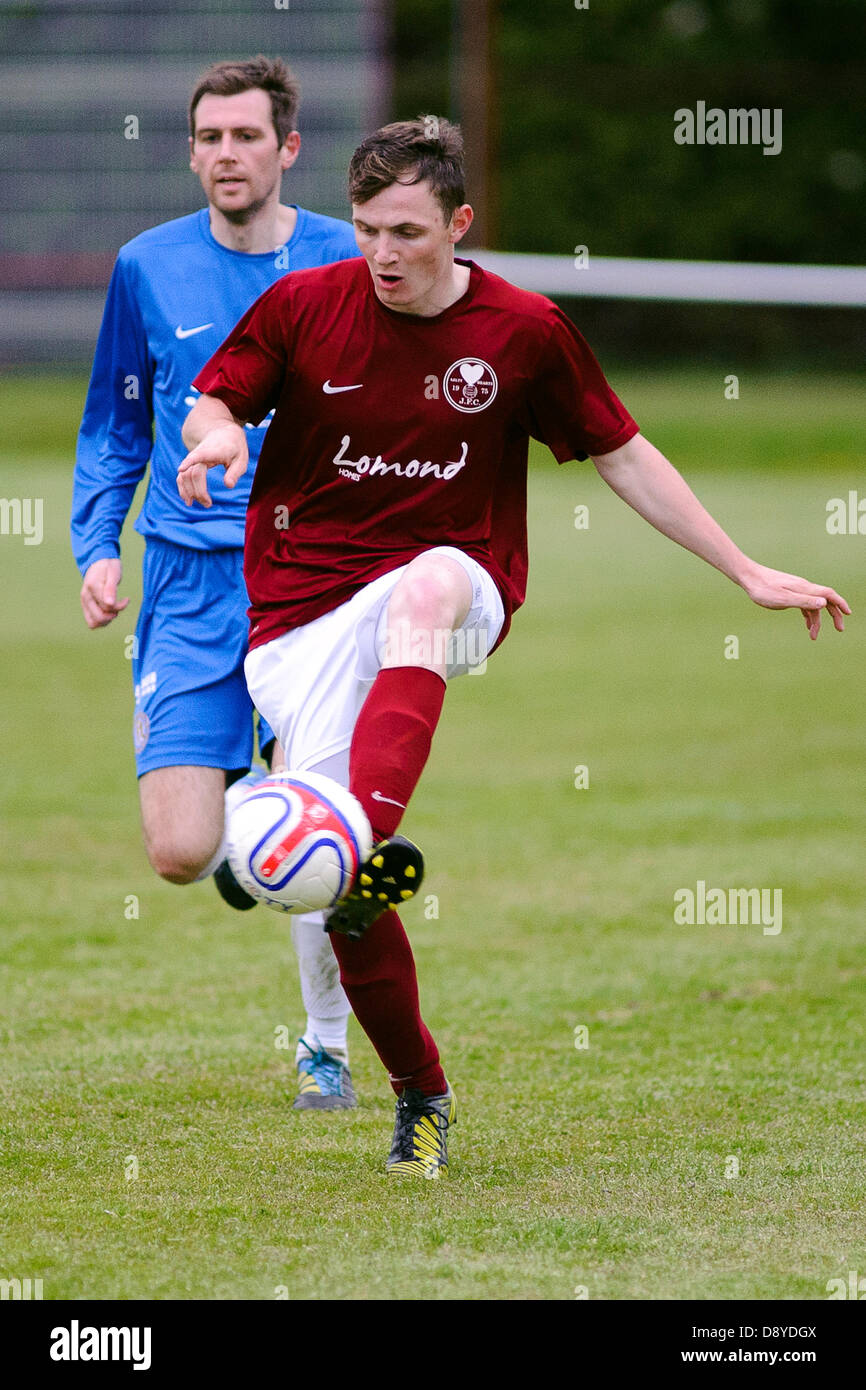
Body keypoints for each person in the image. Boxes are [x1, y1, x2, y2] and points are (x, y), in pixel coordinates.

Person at [177, 116, 850, 1177]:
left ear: (459, 222)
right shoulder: (307, 304)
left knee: (431, 583)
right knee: (337, 903)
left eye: (405, 231)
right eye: (364, 230)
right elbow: (217, 395)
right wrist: (213, 433)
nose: (382, 255)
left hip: (455, 582)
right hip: (299, 614)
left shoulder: (523, 330)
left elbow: (622, 454)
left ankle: (359, 826)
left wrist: (745, 570)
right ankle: (418, 1087)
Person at [71, 56, 363, 1111]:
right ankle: (257, 818)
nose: (225, 154)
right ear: (190, 149)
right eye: (209, 137)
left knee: (318, 825)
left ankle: (324, 1048)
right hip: (190, 581)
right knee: (183, 852)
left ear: (287, 149)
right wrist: (96, 545)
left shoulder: (345, 259)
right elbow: (112, 422)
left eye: (246, 136)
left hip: (317, 581)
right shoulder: (147, 266)